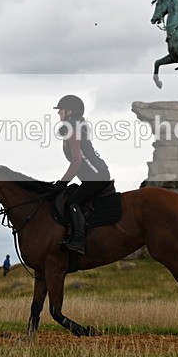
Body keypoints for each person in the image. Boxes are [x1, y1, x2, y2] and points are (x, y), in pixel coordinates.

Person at [50, 94, 111, 256]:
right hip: (96, 175)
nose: (58, 113)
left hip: (96, 176)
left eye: (60, 110)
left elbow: (76, 162)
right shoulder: (74, 126)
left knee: (72, 202)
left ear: (70, 111)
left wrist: (62, 182)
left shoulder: (72, 129)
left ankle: (77, 241)